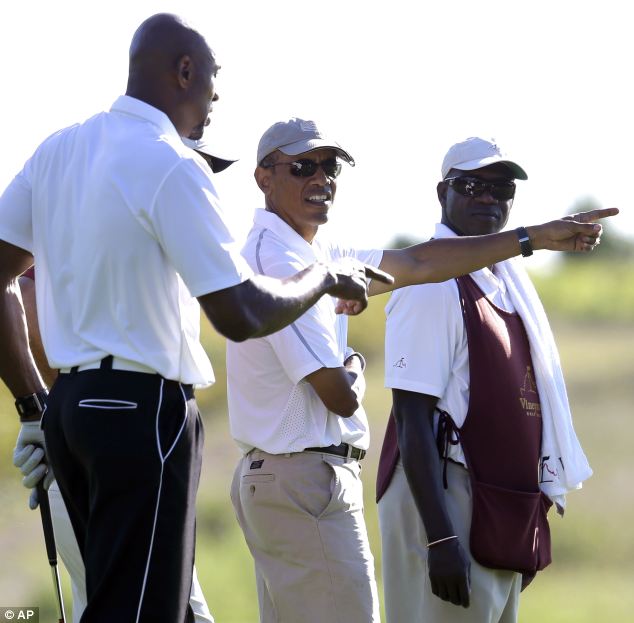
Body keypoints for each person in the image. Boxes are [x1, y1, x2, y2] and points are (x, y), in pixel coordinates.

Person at [0, 14, 391, 623]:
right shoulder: (172, 164)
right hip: (142, 411)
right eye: (212, 81)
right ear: (184, 71)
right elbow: (238, 313)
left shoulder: (58, 149)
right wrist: (323, 279)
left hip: (71, 409)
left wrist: (33, 405)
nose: (216, 99)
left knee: (115, 600)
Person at [227, 120, 615, 623]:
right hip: (301, 477)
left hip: (301, 475)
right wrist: (355, 363)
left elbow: (420, 261)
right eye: (303, 167)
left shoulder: (323, 254)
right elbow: (337, 393)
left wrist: (534, 238)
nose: (320, 178)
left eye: (330, 166)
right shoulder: (277, 262)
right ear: (263, 178)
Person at [376, 136, 601, 623]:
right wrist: (440, 537)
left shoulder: (504, 285)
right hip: (445, 499)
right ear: (443, 193)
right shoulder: (432, 286)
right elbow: (411, 419)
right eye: (472, 184)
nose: (488, 198)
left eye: (501, 189)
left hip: (492, 507)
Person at [13, 132, 233, 623]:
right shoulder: (104, 225)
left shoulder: (152, 240)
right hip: (101, 447)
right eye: (194, 163)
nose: (201, 178)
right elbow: (17, 292)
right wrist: (34, 406)